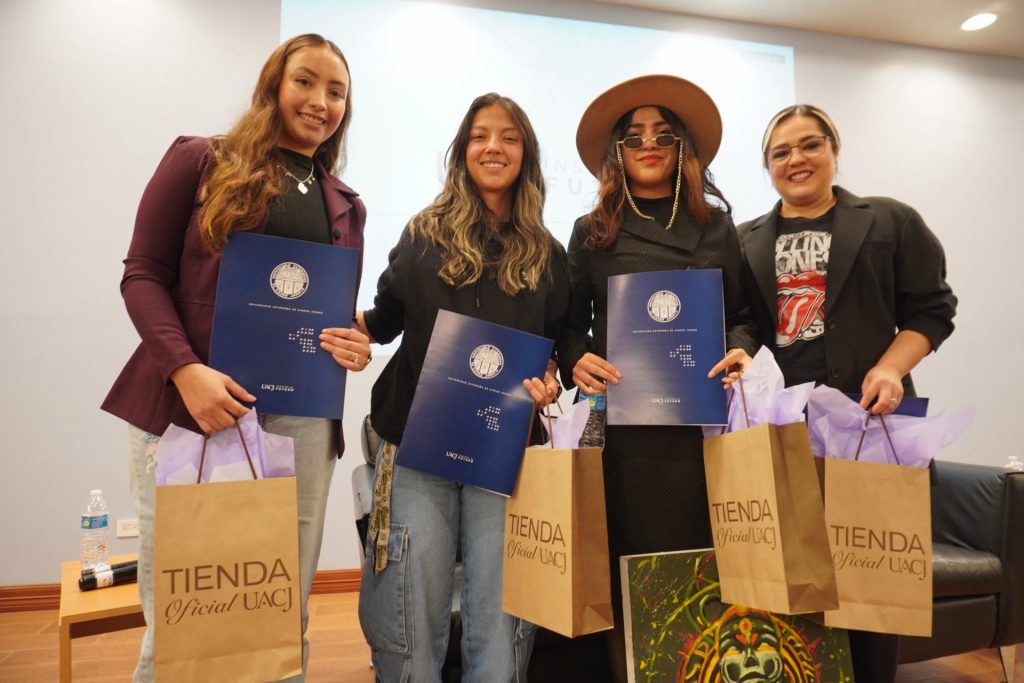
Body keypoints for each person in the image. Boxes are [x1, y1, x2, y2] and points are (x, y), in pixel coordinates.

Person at [101, 34, 370, 682]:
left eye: (336, 91)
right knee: (185, 617)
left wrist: (352, 342)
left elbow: (329, 315)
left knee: (277, 612)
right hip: (192, 411)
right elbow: (143, 274)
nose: (321, 100)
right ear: (273, 84)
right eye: (305, 81)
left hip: (302, 422)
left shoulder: (346, 205)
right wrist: (184, 370)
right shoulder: (199, 160)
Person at [738, 104, 957, 682]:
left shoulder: (890, 221)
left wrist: (890, 368)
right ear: (767, 166)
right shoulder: (744, 240)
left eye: (810, 144)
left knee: (872, 591)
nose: (796, 159)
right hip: (783, 434)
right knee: (789, 586)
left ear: (834, 150)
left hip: (872, 426)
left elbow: (933, 309)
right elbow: (743, 326)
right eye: (781, 152)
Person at [354, 93, 568, 683]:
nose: (493, 147)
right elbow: (385, 319)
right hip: (416, 444)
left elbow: (558, 344)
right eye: (480, 136)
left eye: (509, 137)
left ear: (526, 155)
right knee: (410, 601)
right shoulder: (421, 234)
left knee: (501, 606)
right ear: (462, 151)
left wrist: (550, 379)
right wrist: (333, 325)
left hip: (503, 451)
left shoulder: (550, 255)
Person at [558, 75, 758, 681]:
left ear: (682, 148)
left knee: (705, 569)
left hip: (703, 432)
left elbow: (745, 316)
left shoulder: (717, 227)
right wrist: (577, 357)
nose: (649, 144)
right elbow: (566, 324)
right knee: (633, 569)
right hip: (628, 435)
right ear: (617, 151)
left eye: (663, 135)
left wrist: (741, 351)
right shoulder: (591, 230)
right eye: (635, 136)